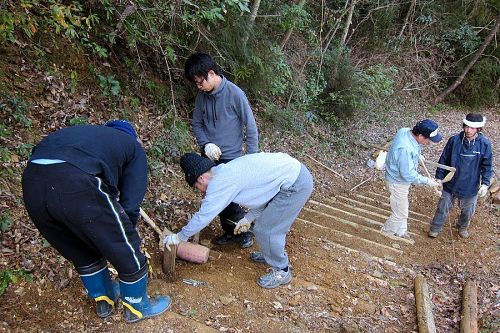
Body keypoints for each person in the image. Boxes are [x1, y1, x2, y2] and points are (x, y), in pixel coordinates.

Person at [21, 120, 170, 323]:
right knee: (125, 246)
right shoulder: (132, 147)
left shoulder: (84, 137)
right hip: (74, 179)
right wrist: (127, 235)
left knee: (78, 247)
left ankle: (104, 299)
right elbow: (130, 205)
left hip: (32, 185)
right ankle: (137, 305)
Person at [163, 152, 313, 289]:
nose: (200, 191)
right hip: (290, 177)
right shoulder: (225, 171)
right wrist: (248, 218)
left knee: (267, 230)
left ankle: (282, 271)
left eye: (196, 186)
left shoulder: (220, 182)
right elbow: (265, 192)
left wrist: (179, 237)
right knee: (263, 227)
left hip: (295, 185)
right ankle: (270, 254)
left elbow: (204, 215)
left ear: (201, 178)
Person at [184, 52, 259, 249]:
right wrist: (205, 145)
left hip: (232, 157)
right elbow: (197, 124)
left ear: (210, 73)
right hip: (209, 157)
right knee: (216, 197)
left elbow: (250, 127)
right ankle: (230, 230)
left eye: (200, 82)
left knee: (230, 196)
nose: (198, 86)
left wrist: (252, 159)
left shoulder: (235, 94)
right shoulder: (202, 96)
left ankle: (245, 230)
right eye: (196, 83)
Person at [428, 113, 493, 239]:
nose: (468, 130)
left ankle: (462, 227)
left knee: (468, 212)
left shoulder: (484, 144)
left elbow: (487, 166)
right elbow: (444, 159)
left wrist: (485, 184)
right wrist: (439, 177)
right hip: (450, 182)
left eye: (472, 128)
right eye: (467, 127)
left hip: (470, 184)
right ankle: (435, 228)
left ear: (478, 129)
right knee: (443, 207)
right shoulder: (454, 140)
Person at [380, 119, 442, 238]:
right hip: (397, 182)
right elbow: (408, 175)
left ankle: (400, 231)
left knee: (402, 207)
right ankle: (386, 232)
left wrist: (417, 155)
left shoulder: (405, 131)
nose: (429, 142)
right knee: (400, 214)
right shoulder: (406, 149)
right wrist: (427, 181)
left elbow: (409, 150)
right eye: (428, 139)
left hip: (399, 179)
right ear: (420, 136)